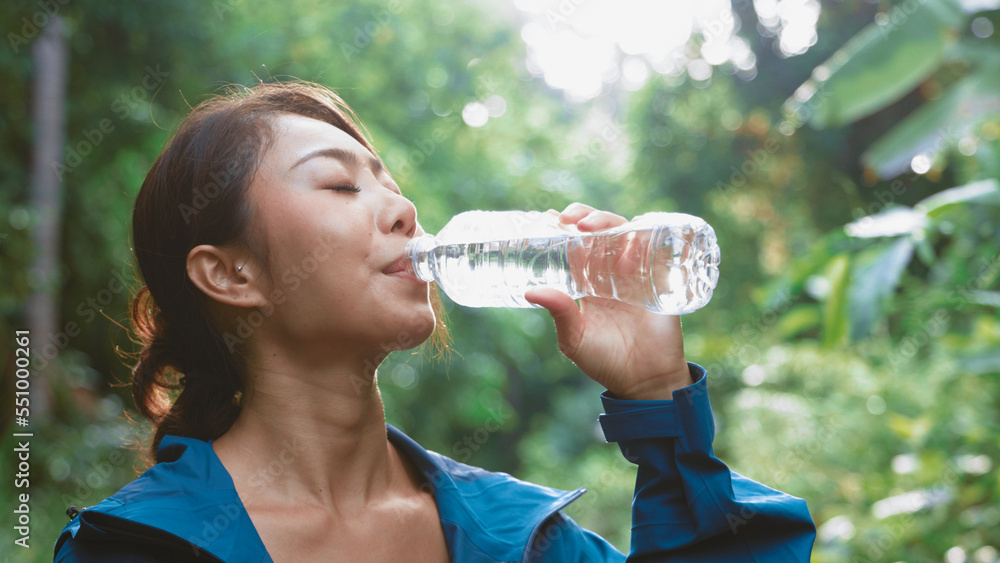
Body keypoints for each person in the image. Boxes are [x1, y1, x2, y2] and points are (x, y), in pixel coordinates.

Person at [53, 81, 816, 562]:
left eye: (387, 178)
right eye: (338, 185)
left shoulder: (517, 535)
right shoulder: (139, 546)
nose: (403, 207)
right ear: (231, 273)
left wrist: (656, 398)